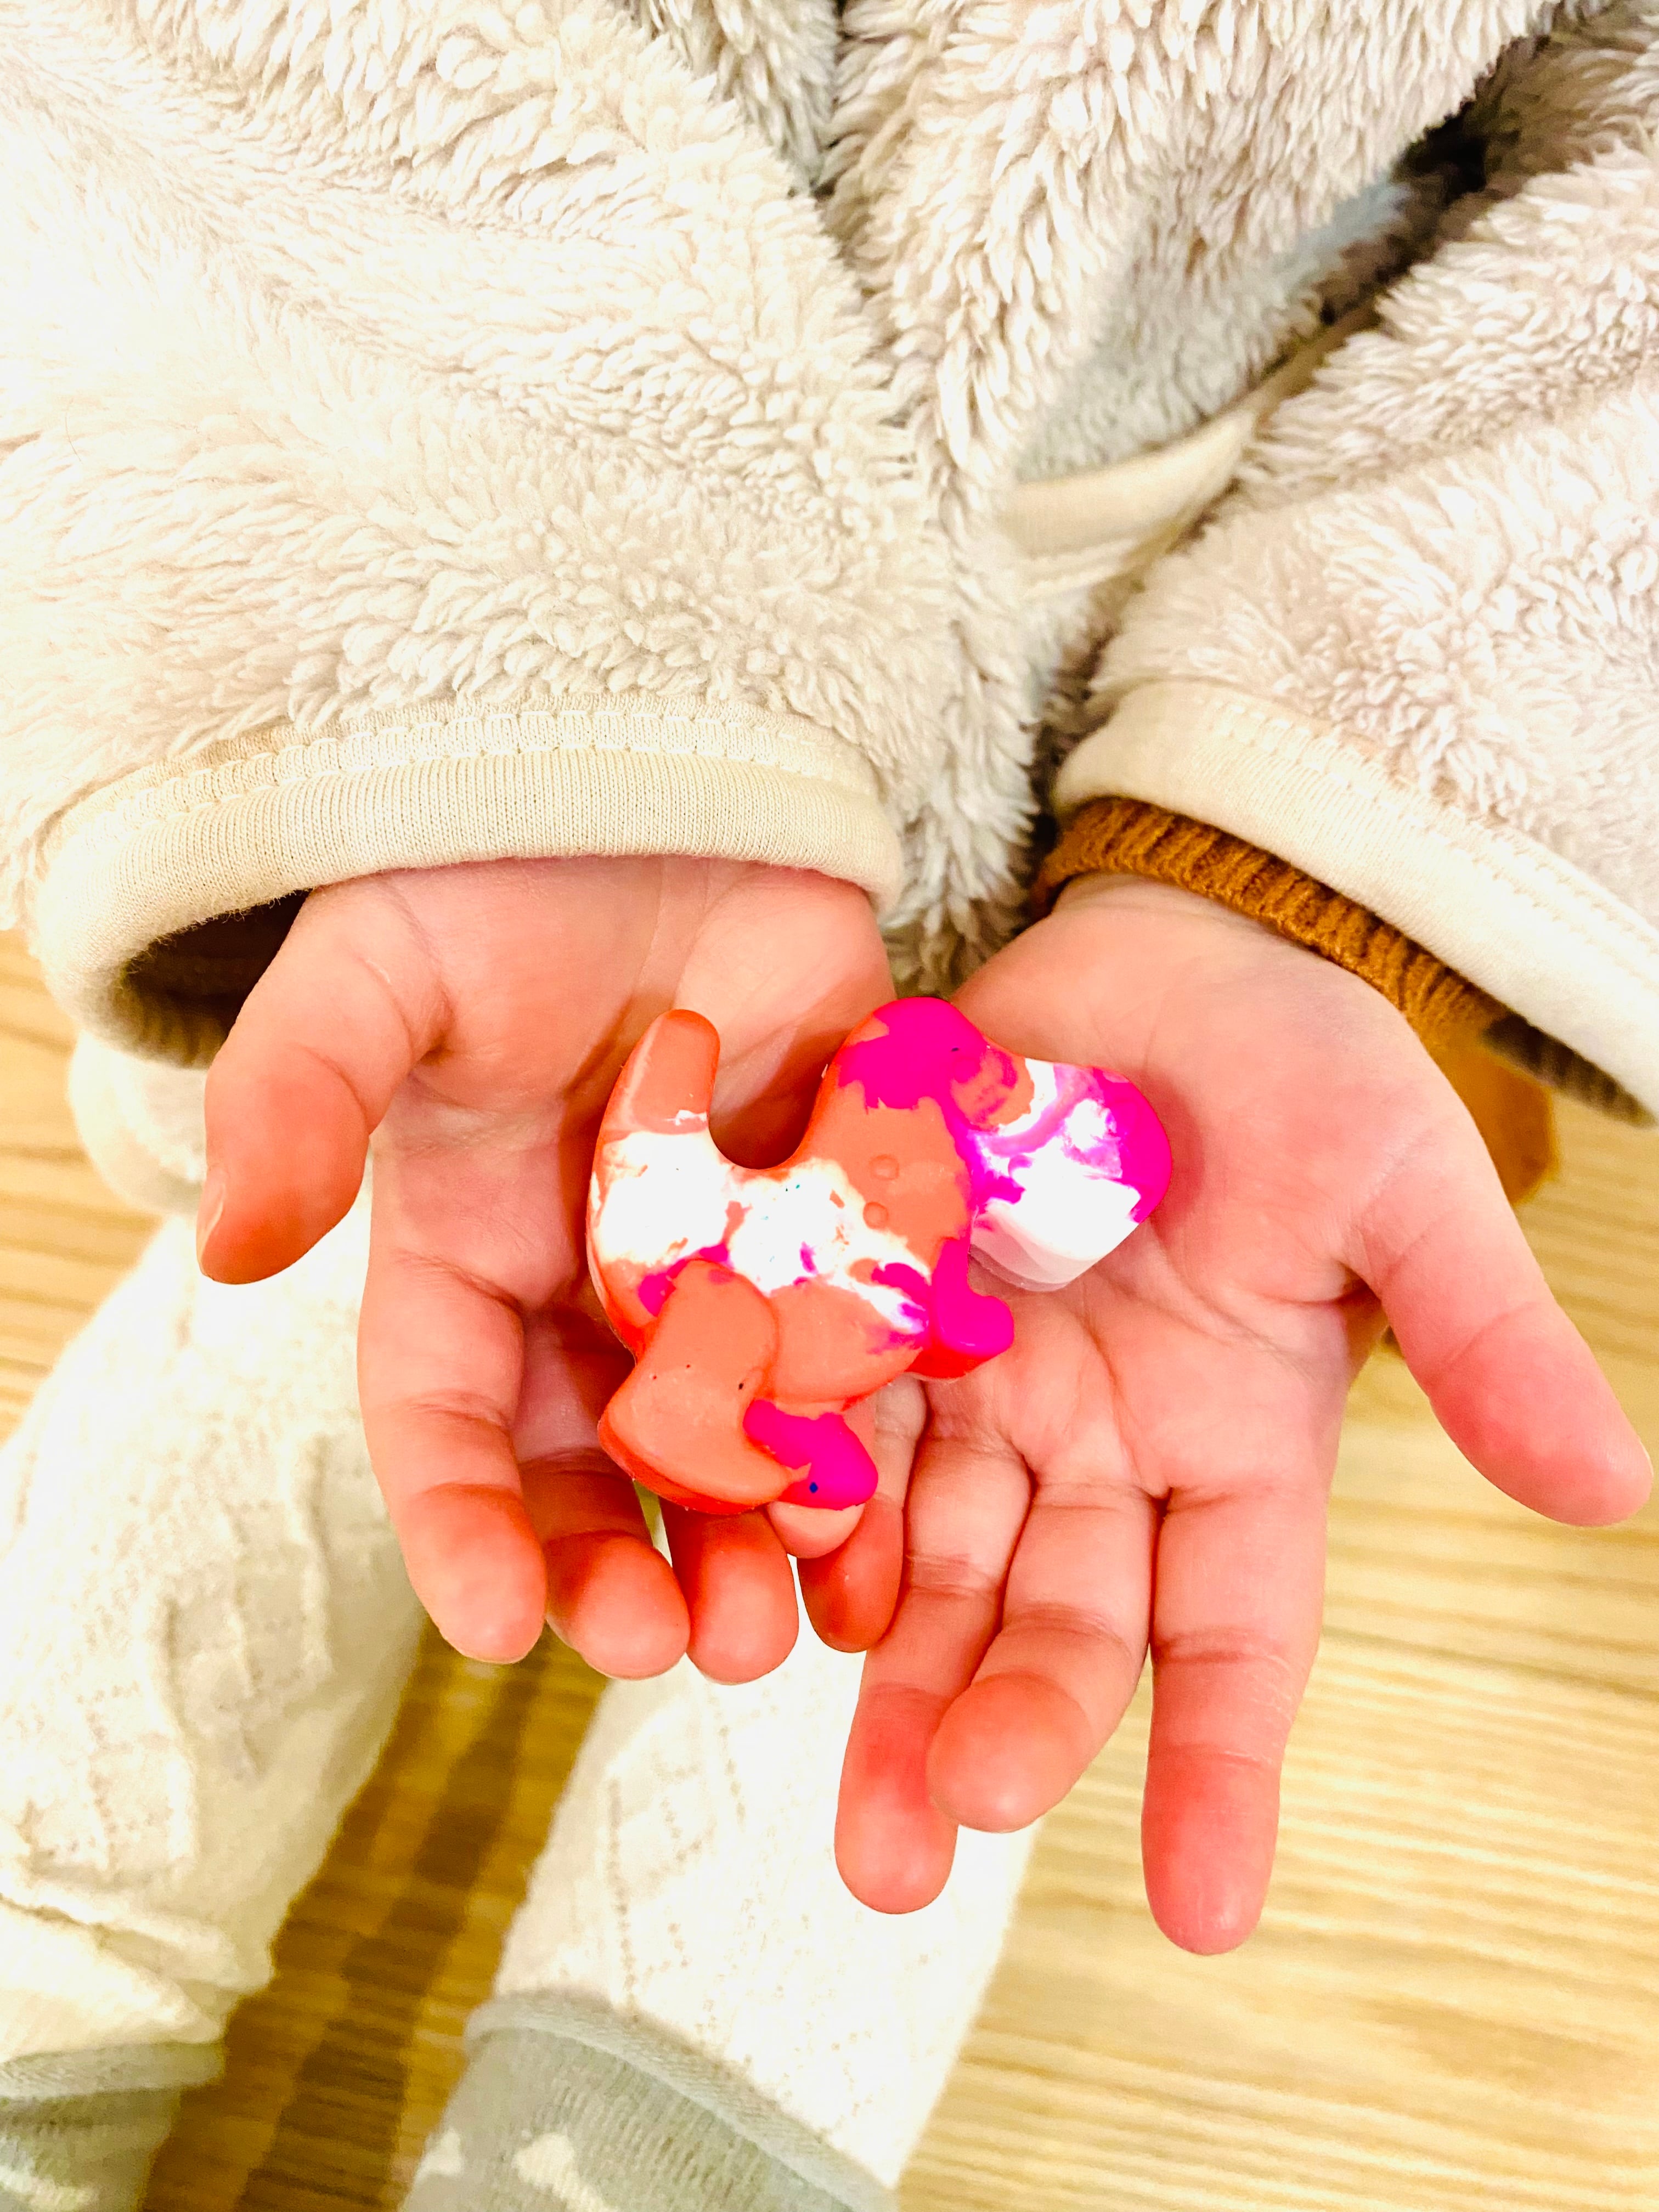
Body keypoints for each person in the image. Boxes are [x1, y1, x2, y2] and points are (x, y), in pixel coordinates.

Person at [2, 4, 1655, 2209]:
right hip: (489, 774)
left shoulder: (935, 1254)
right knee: (316, 1350)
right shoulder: (814, 1207)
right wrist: (541, 732)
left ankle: (654, 2140)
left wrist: (1318, 839)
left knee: (918, 1607)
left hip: (1173, 674)